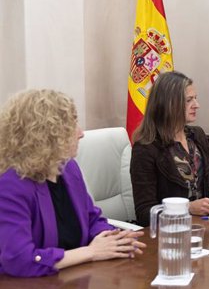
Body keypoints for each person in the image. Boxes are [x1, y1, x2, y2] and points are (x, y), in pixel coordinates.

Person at [0, 89, 145, 277]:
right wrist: (91, 252)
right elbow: (20, 260)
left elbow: (92, 218)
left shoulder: (68, 168)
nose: (80, 133)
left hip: (73, 281)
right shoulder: (11, 185)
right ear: (45, 136)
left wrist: (114, 239)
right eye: (71, 126)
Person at [130, 71, 209, 226]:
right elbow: (145, 213)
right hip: (169, 235)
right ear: (169, 104)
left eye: (195, 99)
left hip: (202, 229)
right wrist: (188, 208)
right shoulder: (146, 148)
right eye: (189, 100)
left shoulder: (196, 136)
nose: (196, 105)